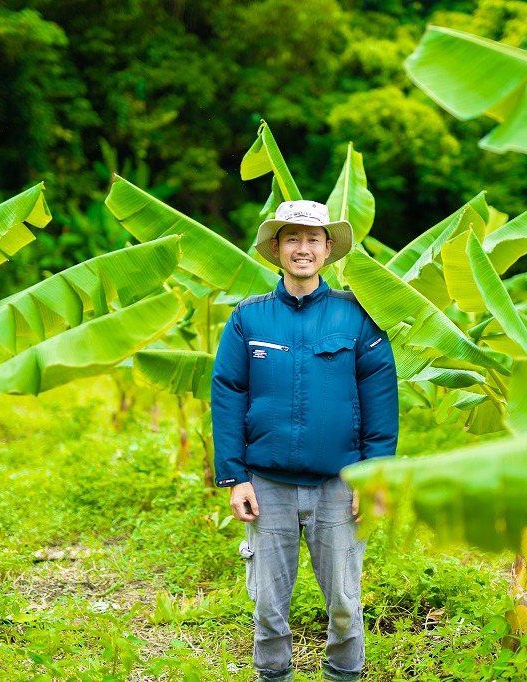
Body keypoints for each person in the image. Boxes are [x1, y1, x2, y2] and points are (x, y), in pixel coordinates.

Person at [211, 199, 399, 682]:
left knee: (344, 600)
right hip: (267, 483)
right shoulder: (248, 319)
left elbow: (380, 402)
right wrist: (235, 478)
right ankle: (273, 675)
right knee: (269, 605)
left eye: (313, 239)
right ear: (276, 248)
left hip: (338, 484)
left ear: (328, 248)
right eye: (292, 238)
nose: (302, 248)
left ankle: (345, 674)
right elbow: (228, 395)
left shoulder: (357, 318)